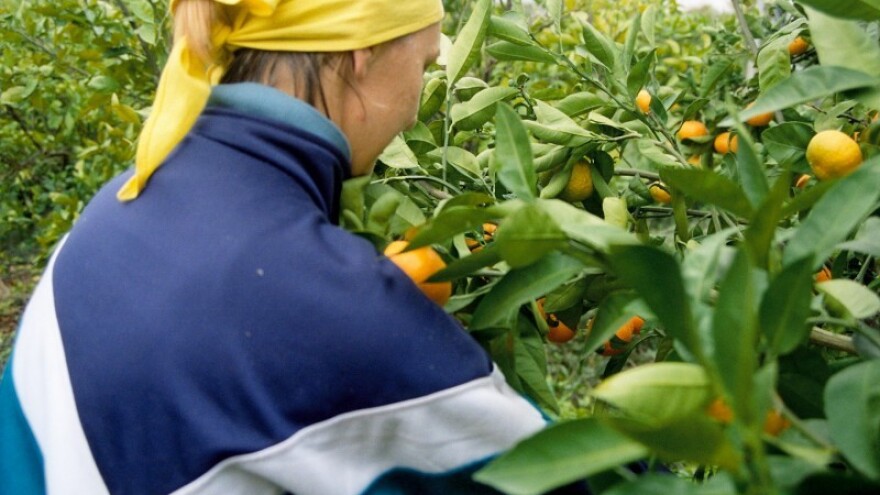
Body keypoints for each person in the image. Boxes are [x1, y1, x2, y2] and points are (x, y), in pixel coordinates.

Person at [0, 1, 591, 494]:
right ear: (362, 53)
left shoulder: (120, 204)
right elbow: (577, 476)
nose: (417, 105)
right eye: (426, 64)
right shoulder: (327, 304)